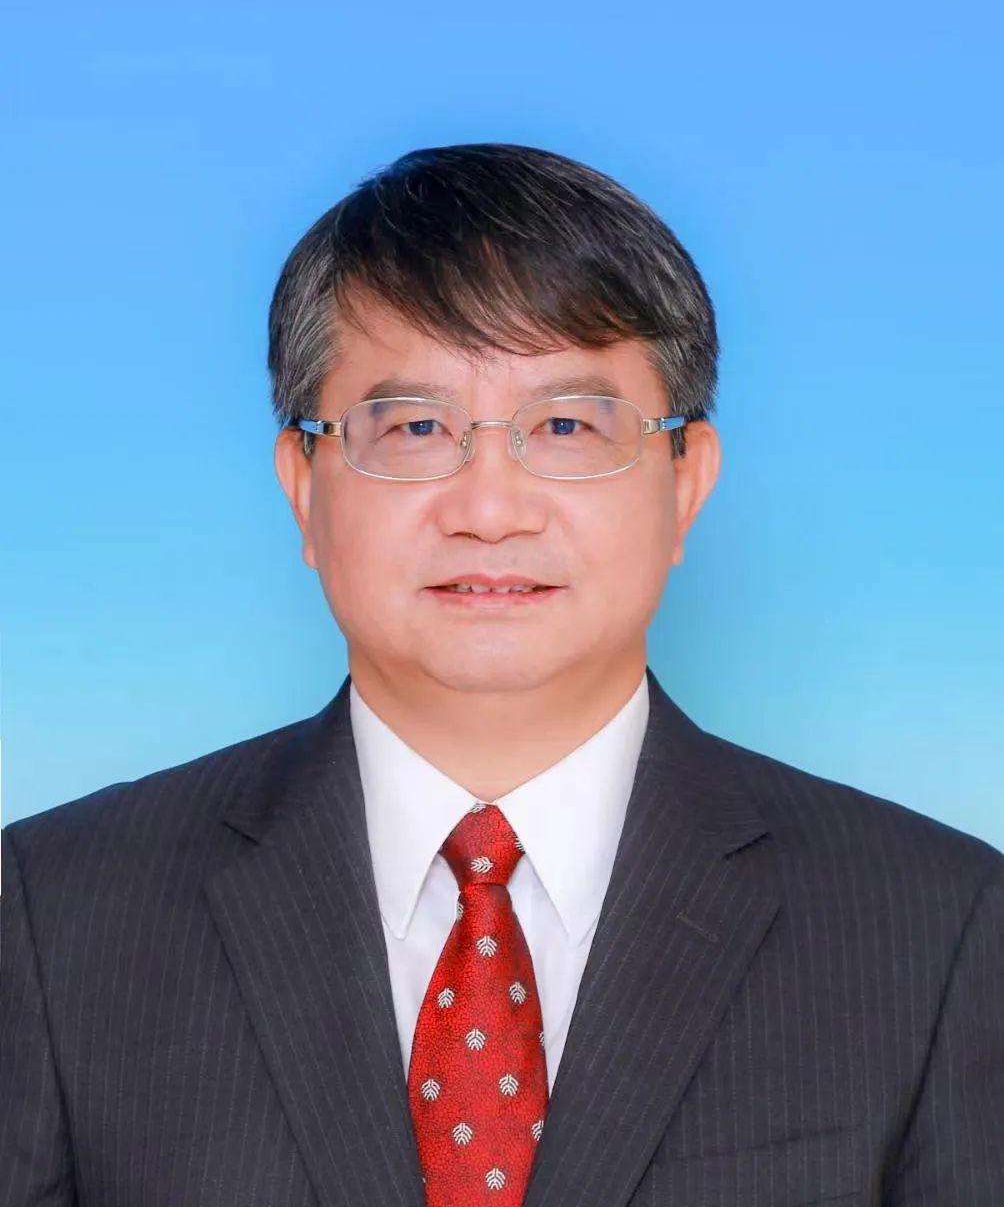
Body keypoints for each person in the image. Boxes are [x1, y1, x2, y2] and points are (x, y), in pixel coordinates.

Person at [2, 142, 1000, 1207]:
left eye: (565, 427)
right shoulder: (54, 916)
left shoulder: (935, 928)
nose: (488, 509)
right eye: (414, 428)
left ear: (685, 482)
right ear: (304, 485)